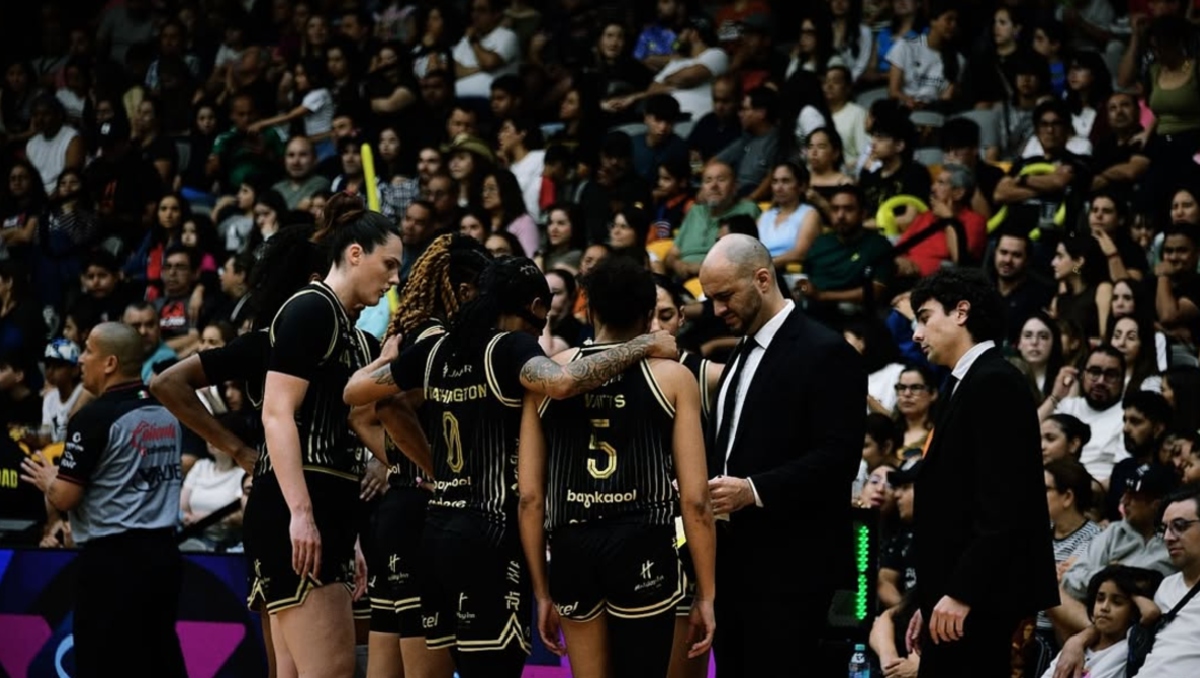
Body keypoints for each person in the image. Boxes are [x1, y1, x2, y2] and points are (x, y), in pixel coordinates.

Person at [343, 257, 677, 677]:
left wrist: (434, 466)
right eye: (541, 323)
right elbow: (562, 383)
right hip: (489, 538)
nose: (540, 334)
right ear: (536, 306)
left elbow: (357, 394)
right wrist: (645, 345)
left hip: (436, 535)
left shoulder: (435, 348)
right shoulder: (510, 346)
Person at [150, 213, 372, 678]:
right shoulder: (272, 340)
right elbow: (167, 383)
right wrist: (239, 451)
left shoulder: (346, 341)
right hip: (299, 504)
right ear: (317, 280)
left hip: (295, 506)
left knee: (286, 670)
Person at [517, 256, 717, 678]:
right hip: (642, 543)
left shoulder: (548, 374)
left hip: (572, 545)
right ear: (649, 317)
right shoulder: (674, 377)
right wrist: (706, 595)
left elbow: (531, 497)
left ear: (588, 311)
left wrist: (540, 592)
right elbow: (696, 500)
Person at [246, 200, 402, 677]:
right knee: (331, 671)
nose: (395, 278)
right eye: (389, 264)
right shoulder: (312, 308)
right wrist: (301, 515)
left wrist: (348, 536)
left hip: (327, 513)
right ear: (355, 253)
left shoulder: (355, 335)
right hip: (296, 509)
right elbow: (277, 414)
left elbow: (346, 436)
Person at [696, 234, 864, 675]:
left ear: (763, 279)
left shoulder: (826, 351)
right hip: (734, 566)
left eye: (725, 296)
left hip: (793, 571)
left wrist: (753, 490)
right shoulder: (740, 352)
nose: (717, 311)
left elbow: (840, 457)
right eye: (710, 299)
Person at [906, 268, 1058, 678]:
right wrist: (930, 598)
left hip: (981, 600)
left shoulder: (995, 382)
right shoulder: (968, 381)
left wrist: (960, 593)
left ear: (961, 312)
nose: (917, 334)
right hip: (957, 597)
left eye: (924, 317)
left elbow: (1003, 506)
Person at [21, 322, 186, 677]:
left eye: (88, 351)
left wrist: (49, 479)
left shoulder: (93, 418)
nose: (81, 359)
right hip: (164, 557)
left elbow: (65, 497)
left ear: (109, 363)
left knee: (104, 663)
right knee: (159, 660)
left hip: (113, 562)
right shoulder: (166, 411)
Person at [361, 233, 491, 678]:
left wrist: (400, 464)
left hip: (395, 509)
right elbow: (385, 407)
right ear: (461, 290)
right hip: (421, 512)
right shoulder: (438, 339)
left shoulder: (405, 331)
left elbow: (358, 418)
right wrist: (437, 469)